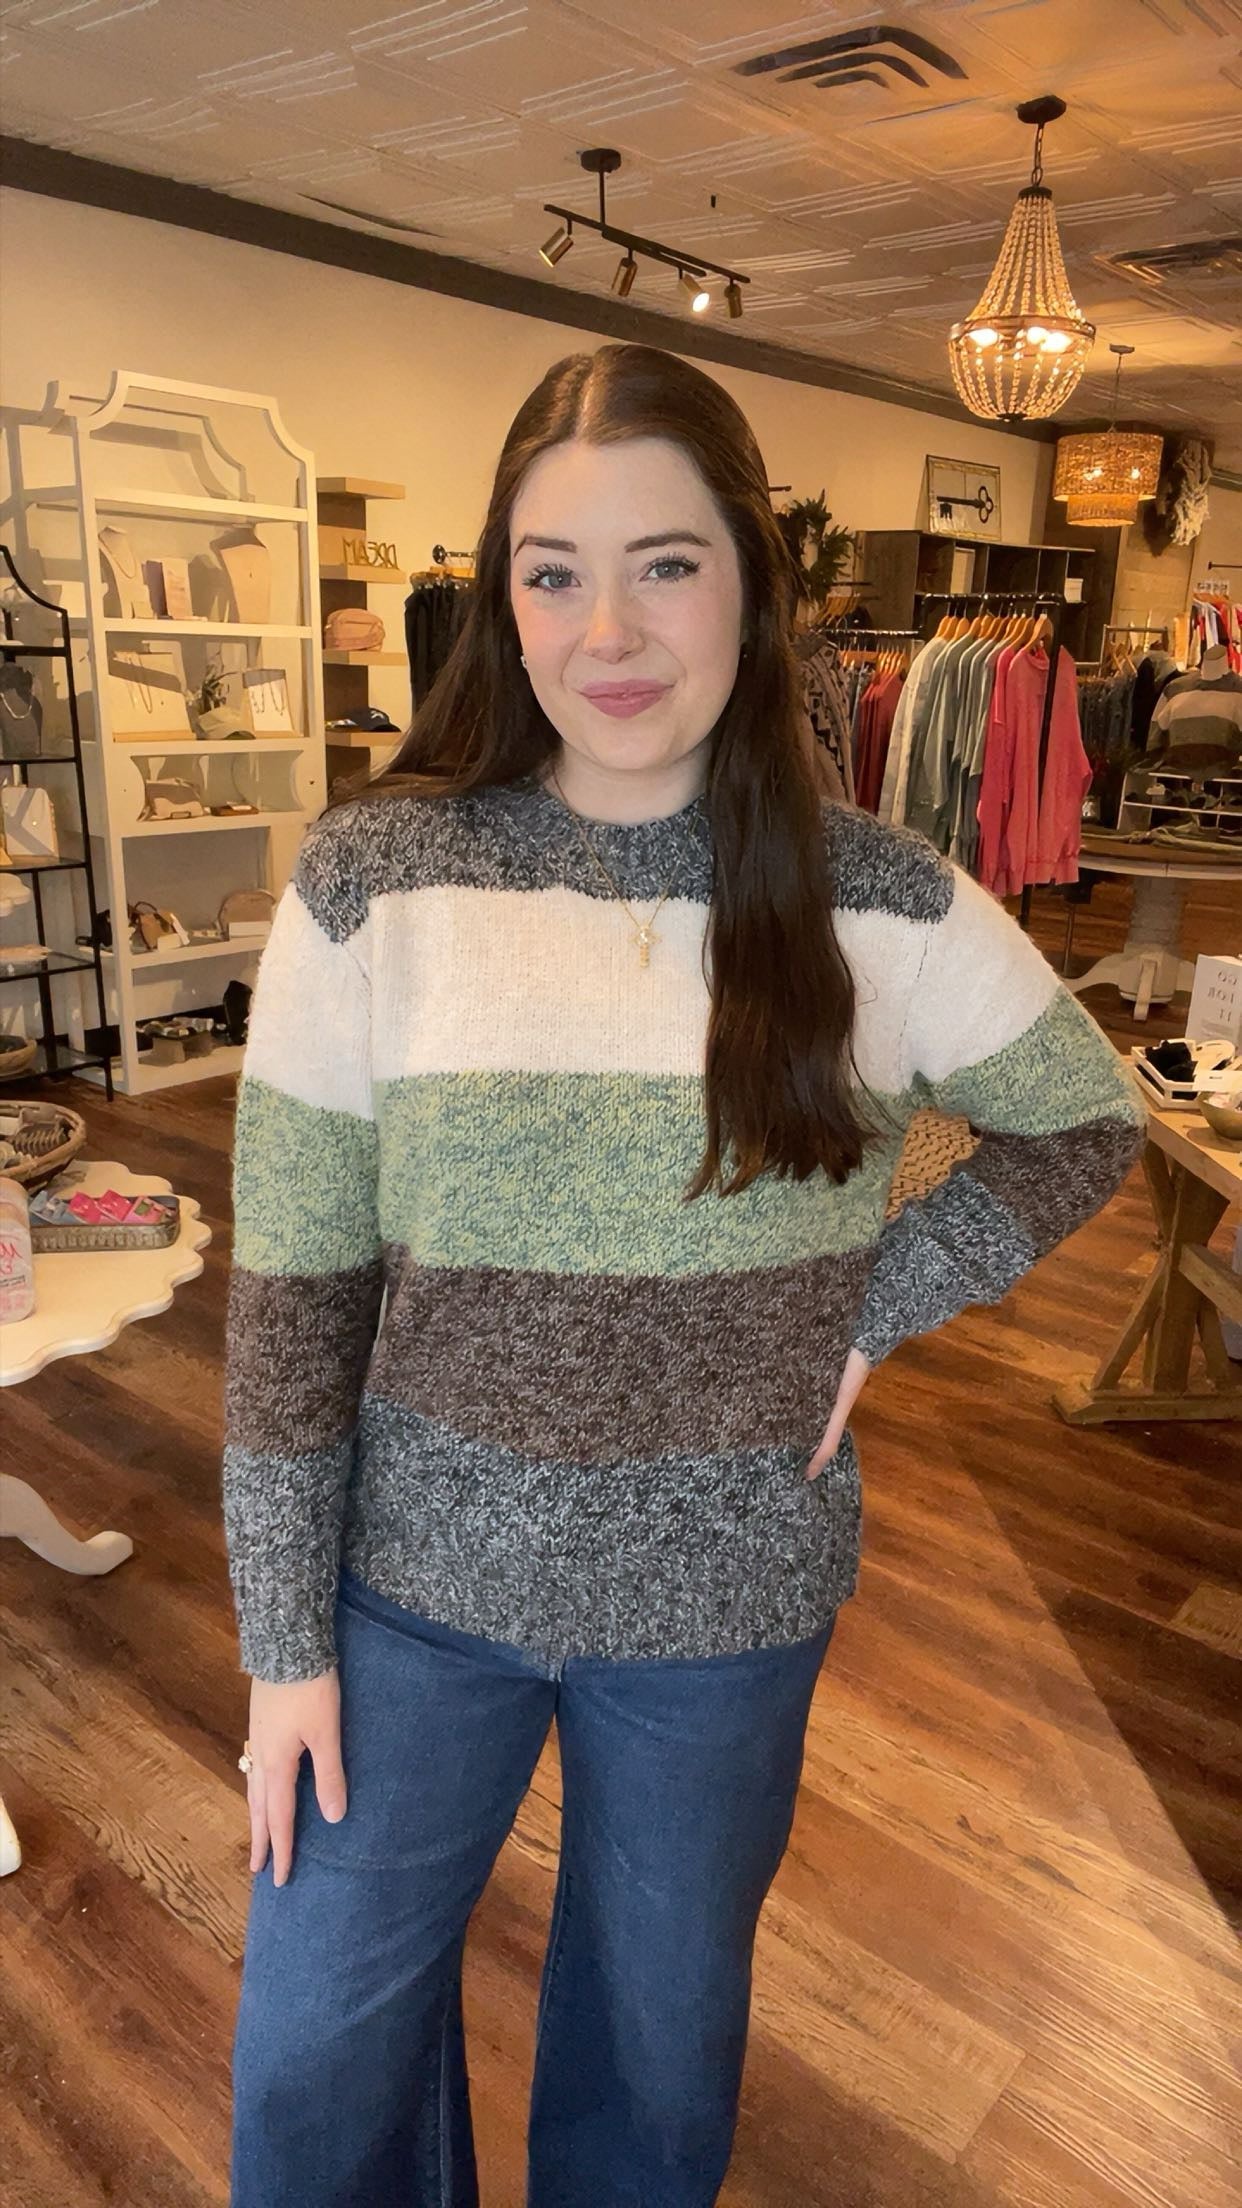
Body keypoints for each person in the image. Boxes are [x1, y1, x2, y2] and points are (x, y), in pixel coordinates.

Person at [223, 342, 1146, 2206]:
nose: (607, 629)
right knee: (313, 2053)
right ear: (503, 600)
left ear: (749, 575)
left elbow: (1085, 1128)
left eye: (665, 561)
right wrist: (279, 1646)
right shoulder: (374, 882)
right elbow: (294, 1290)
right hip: (412, 1592)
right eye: (552, 570)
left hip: (727, 1604)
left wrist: (870, 1303)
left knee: (655, 2070)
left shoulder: (881, 901)